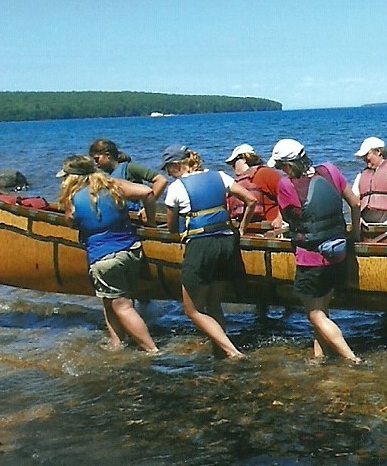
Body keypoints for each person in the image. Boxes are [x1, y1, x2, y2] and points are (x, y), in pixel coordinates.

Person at [268, 139, 362, 363]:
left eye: (281, 167)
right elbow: (355, 203)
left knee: (314, 313)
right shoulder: (330, 170)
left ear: (289, 166)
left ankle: (351, 358)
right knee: (323, 309)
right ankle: (319, 357)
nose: (282, 172)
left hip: (310, 258)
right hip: (338, 251)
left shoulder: (286, 185)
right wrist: (355, 234)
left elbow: (291, 218)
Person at [161, 145, 257, 359]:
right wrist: (241, 229)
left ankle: (232, 352)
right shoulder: (220, 176)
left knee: (192, 310)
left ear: (177, 165)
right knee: (214, 303)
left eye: (168, 168)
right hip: (227, 243)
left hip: (201, 246)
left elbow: (171, 228)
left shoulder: (176, 187)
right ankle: (219, 352)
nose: (167, 174)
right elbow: (251, 200)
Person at [56, 155, 159, 353]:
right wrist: (151, 220)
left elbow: (71, 222)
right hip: (131, 251)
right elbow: (147, 192)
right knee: (109, 301)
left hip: (104, 259)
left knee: (123, 306)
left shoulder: (72, 199)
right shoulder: (114, 185)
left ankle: (152, 349)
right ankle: (116, 343)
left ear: (72, 177)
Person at [88, 138, 167, 221]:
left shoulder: (129, 168)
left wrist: (146, 208)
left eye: (97, 159)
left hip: (133, 217)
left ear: (108, 155)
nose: (95, 163)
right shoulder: (102, 175)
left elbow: (161, 180)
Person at [351, 136, 387, 229]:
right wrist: (356, 218)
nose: (364, 159)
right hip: (368, 226)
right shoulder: (361, 175)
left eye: (367, 155)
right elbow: (353, 200)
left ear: (378, 152)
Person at [225, 144, 283, 231]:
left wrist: (280, 218)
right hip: (249, 229)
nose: (233, 168)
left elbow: (286, 196)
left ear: (244, 159)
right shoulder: (235, 184)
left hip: (270, 228)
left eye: (234, 163)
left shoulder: (265, 173)